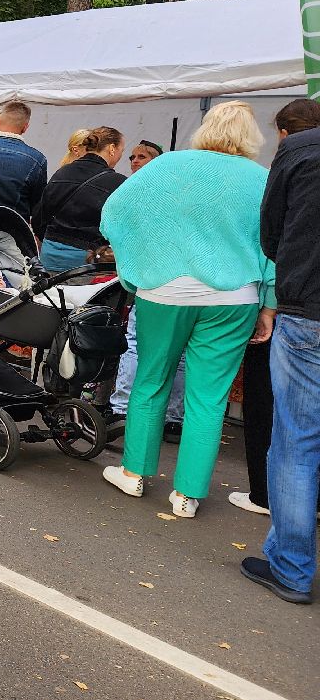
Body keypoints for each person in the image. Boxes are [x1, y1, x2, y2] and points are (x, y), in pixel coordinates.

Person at [99, 101, 273, 518]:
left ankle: (134, 472)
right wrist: (268, 303)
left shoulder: (167, 166)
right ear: (252, 137)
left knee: (151, 381)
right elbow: (274, 244)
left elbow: (114, 214)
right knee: (208, 398)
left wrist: (136, 266)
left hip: (165, 290)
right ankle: (188, 496)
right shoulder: (263, 178)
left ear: (206, 127)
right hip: (236, 298)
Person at [241, 98, 320, 603]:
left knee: (296, 440)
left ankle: (291, 568)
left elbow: (270, 237)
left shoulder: (297, 153)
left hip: (307, 309)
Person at [31, 126, 126, 274]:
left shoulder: (62, 172)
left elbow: (39, 219)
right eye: (122, 151)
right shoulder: (118, 183)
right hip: (88, 264)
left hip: (49, 258)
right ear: (112, 148)